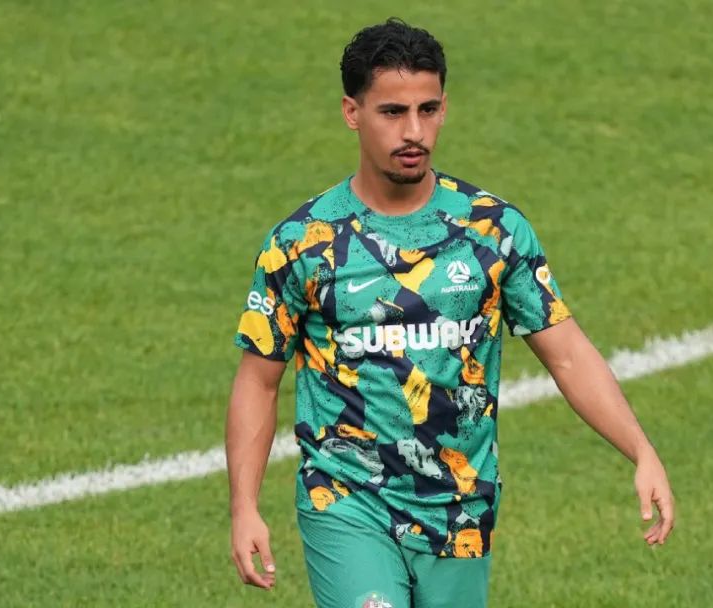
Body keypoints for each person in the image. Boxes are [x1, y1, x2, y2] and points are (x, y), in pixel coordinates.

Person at [226, 17, 675, 608]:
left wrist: (641, 450)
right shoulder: (303, 242)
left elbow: (566, 353)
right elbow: (259, 380)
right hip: (346, 500)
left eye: (428, 109)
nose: (414, 131)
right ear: (351, 112)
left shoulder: (492, 230)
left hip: (460, 510)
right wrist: (244, 507)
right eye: (392, 112)